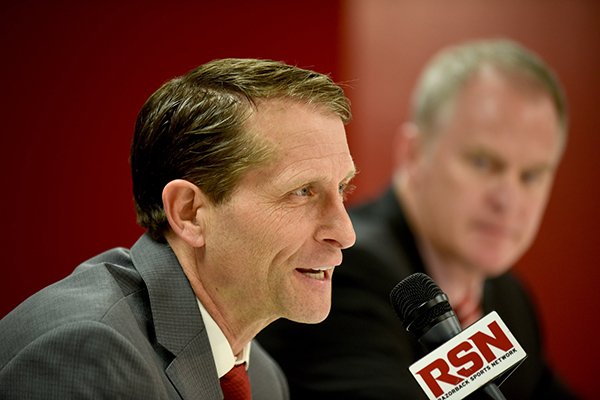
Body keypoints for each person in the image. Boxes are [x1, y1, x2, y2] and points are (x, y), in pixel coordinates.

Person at [0, 58, 357, 399]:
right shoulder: (88, 353)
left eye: (342, 188)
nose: (345, 233)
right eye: (301, 192)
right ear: (189, 213)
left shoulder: (262, 377)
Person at [258, 39, 579, 399]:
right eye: (483, 163)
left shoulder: (508, 296)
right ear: (413, 154)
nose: (508, 199)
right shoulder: (338, 270)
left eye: (532, 175)